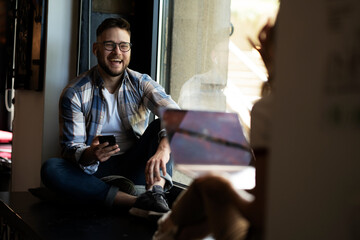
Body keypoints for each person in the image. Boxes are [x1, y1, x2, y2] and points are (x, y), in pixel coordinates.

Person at [40, 17, 179, 217]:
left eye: (124, 46)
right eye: (109, 45)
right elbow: (71, 150)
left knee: (164, 128)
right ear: (96, 49)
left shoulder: (141, 83)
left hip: (135, 165)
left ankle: (155, 193)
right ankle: (138, 202)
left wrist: (164, 151)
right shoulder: (75, 93)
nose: (117, 53)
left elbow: (178, 116)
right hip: (95, 172)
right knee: (51, 169)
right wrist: (91, 154)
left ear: (129, 50)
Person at [153, 20, 276, 240]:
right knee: (213, 179)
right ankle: (171, 229)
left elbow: (261, 216)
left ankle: (168, 228)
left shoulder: (268, 109)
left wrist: (225, 187)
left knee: (211, 182)